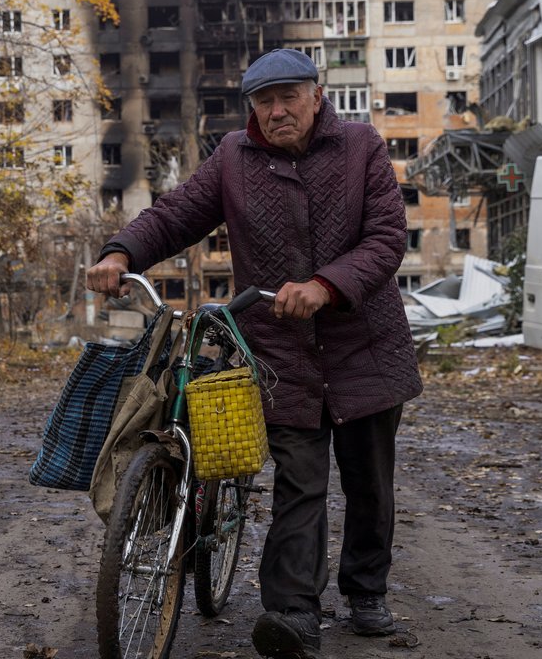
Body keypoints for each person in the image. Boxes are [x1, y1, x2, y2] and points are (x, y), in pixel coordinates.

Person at [86, 48, 423, 659]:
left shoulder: (362, 147)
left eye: (287, 97)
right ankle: (293, 613)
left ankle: (365, 589)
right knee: (300, 481)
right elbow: (176, 214)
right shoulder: (234, 161)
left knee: (370, 480)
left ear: (316, 95)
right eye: (263, 102)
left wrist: (325, 286)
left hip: (363, 347)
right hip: (280, 354)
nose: (275, 111)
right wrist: (121, 252)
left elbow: (386, 239)